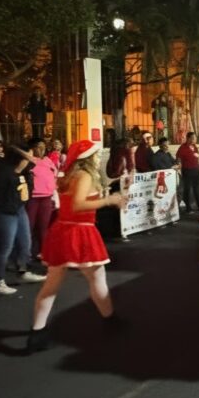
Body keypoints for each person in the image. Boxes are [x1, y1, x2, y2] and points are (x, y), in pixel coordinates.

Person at [27, 140, 127, 352]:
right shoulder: (84, 176)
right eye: (96, 154)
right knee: (97, 278)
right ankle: (111, 321)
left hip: (61, 231)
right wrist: (109, 201)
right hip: (80, 232)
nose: (98, 157)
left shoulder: (69, 175)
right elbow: (78, 204)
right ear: (88, 158)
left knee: (51, 285)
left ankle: (36, 333)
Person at [0, 146, 46, 295]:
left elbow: (30, 182)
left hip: (19, 209)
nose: (31, 159)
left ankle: (22, 272)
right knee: (5, 247)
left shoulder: (25, 171)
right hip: (5, 211)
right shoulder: (3, 172)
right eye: (28, 156)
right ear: (19, 158)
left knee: (25, 243)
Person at [27, 138, 60, 259]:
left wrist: (54, 195)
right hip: (32, 198)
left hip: (46, 197)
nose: (41, 149)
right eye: (38, 147)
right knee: (29, 226)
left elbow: (54, 176)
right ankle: (27, 252)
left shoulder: (48, 160)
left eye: (43, 147)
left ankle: (43, 251)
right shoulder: (28, 161)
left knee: (43, 226)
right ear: (32, 148)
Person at [176, 132, 199, 213]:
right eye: (193, 138)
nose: (195, 139)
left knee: (197, 188)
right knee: (187, 189)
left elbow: (197, 156)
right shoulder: (182, 147)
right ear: (188, 138)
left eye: (195, 138)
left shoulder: (195, 146)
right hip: (187, 170)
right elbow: (178, 158)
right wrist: (179, 165)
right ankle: (188, 208)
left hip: (196, 170)